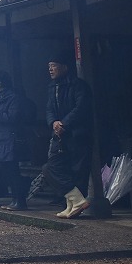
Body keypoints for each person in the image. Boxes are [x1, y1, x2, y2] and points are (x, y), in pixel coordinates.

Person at [44, 52, 94, 218]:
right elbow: (49, 109)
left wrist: (64, 123)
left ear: (64, 67)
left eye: (54, 65)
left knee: (78, 170)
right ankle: (74, 200)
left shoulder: (78, 85)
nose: (50, 69)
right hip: (59, 134)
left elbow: (81, 108)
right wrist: (54, 123)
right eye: (49, 66)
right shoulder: (52, 87)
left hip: (77, 134)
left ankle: (73, 205)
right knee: (52, 167)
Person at [0, 71, 34, 211]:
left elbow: (12, 117)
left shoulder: (13, 98)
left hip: (10, 138)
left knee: (12, 169)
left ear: (0, 83)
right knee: (5, 170)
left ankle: (19, 199)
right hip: (0, 138)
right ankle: (15, 198)